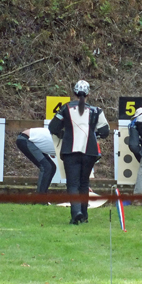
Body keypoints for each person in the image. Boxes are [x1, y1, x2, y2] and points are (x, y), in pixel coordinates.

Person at [48, 80, 109, 224]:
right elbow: (105, 131)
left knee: (73, 183)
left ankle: (76, 213)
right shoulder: (96, 111)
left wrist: (63, 134)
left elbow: (53, 127)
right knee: (84, 182)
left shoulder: (65, 109)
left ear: (74, 93)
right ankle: (84, 215)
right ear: (88, 94)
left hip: (70, 150)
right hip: (90, 151)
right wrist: (95, 136)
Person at [15, 127, 57, 196]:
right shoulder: (67, 143)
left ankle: (42, 197)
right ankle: (40, 198)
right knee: (47, 167)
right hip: (26, 139)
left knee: (51, 167)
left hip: (32, 140)